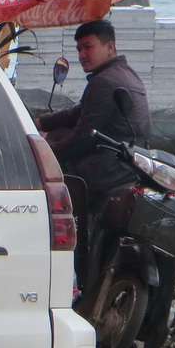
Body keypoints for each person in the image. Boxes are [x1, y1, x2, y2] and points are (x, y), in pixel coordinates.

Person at [36, 18, 151, 212]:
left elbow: (83, 137)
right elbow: (78, 112)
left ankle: (68, 239)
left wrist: (44, 155)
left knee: (47, 201)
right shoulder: (125, 73)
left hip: (107, 169)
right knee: (58, 133)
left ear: (110, 46)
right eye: (79, 49)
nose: (82, 55)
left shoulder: (104, 82)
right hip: (128, 163)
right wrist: (41, 122)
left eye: (88, 47)